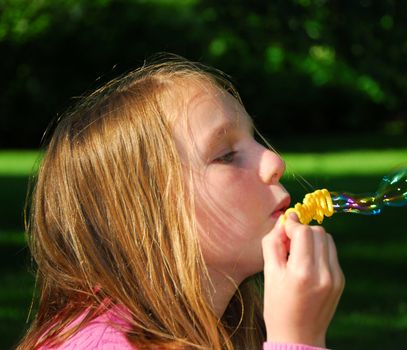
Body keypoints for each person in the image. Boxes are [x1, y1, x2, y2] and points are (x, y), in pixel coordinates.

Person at [17, 54, 345, 350]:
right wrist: (297, 339)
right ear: (147, 215)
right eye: (227, 155)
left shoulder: (230, 329)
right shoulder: (101, 345)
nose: (275, 161)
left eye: (254, 137)